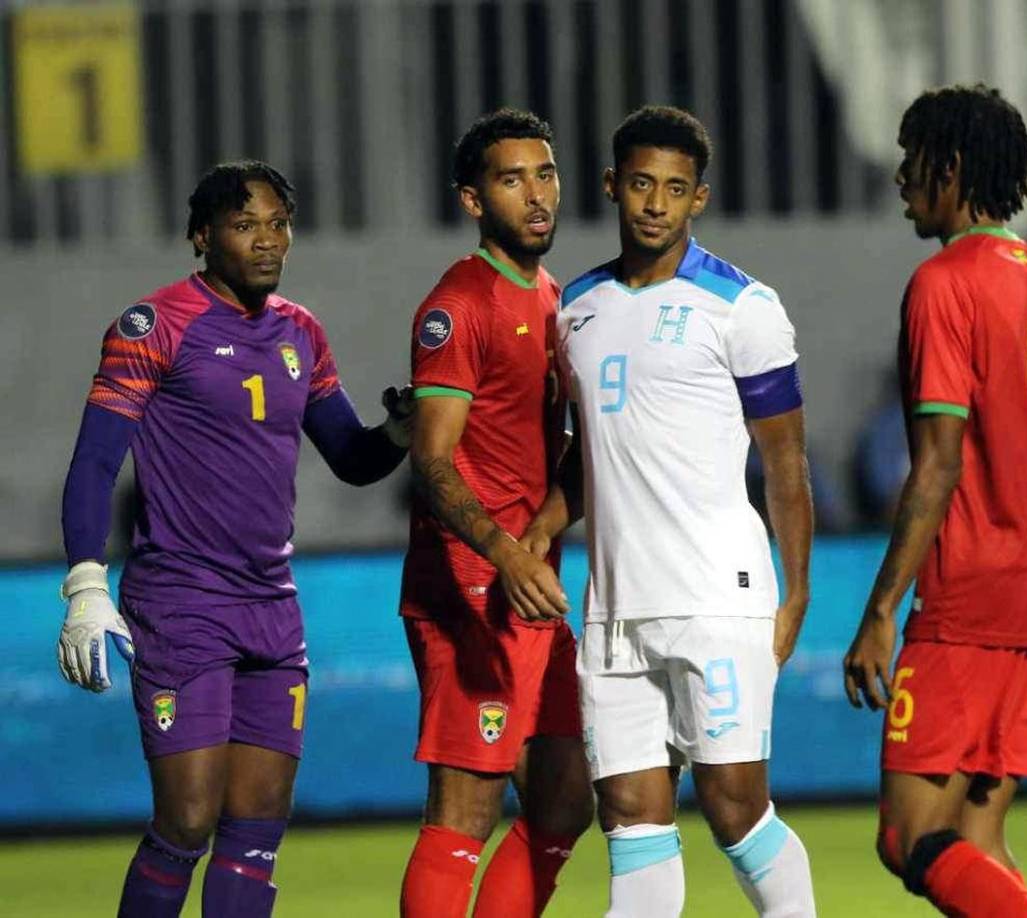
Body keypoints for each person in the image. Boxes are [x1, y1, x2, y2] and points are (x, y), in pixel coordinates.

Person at [56, 160, 413, 918]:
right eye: (245, 225)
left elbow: (352, 459)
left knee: (256, 834)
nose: (267, 240)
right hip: (181, 604)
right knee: (187, 821)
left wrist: (398, 432)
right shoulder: (154, 327)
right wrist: (86, 584)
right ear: (201, 236)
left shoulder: (301, 331)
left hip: (272, 608)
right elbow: (93, 463)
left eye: (278, 224)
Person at [523, 105, 816, 917]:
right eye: (642, 184)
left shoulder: (742, 307)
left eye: (675, 188)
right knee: (630, 821)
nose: (656, 204)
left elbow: (786, 463)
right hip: (615, 609)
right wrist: (543, 524)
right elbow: (593, 449)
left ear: (699, 198)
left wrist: (795, 594)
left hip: (715, 598)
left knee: (734, 809)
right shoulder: (575, 309)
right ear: (612, 185)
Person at [842, 84, 1027, 917]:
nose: (901, 178)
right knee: (975, 838)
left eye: (911, 160)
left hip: (974, 596)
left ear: (949, 168)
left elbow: (937, 464)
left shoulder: (943, 283)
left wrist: (882, 609)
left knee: (909, 835)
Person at [398, 109, 592, 918]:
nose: (536, 194)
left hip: (529, 582)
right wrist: (505, 551)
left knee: (565, 799)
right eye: (512, 180)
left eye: (545, 174)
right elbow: (432, 460)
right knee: (465, 810)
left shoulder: (555, 299)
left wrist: (540, 534)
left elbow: (565, 451)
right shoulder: (459, 304)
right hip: (472, 587)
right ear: (474, 200)